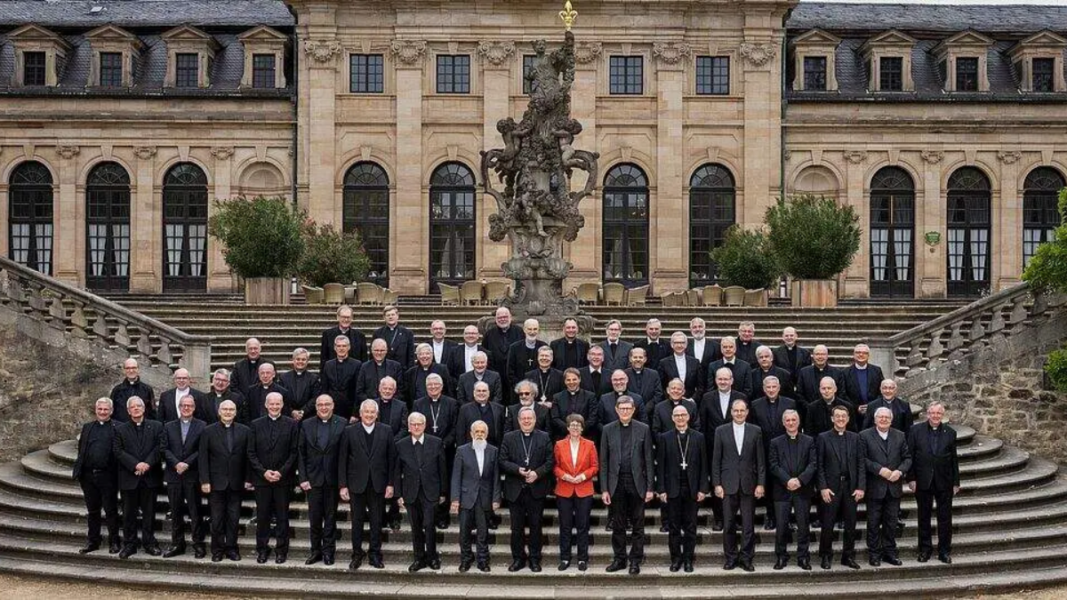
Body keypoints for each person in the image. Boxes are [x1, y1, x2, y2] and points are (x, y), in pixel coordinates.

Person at [339, 399, 396, 571]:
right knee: (356, 522)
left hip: (378, 484)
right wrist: (343, 485)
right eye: (366, 412)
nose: (369, 415)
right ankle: (357, 554)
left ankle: (375, 554)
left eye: (372, 412)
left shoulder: (386, 431)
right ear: (361, 413)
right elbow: (342, 460)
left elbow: (391, 460)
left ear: (377, 414)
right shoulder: (349, 431)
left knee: (376, 521)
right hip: (356, 484)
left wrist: (391, 484)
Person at [599, 396, 654, 575]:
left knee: (638, 524)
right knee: (618, 524)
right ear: (616, 410)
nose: (625, 411)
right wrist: (604, 488)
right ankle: (619, 559)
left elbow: (648, 460)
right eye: (621, 408)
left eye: (628, 408)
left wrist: (650, 488)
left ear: (633, 410)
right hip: (616, 483)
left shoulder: (644, 429)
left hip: (637, 482)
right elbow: (604, 462)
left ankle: (635, 561)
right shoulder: (607, 429)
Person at [499, 406, 555, 572]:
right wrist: (518, 470)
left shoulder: (544, 437)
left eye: (529, 418)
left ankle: (535, 559)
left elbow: (550, 461)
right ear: (518, 420)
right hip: (515, 490)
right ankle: (518, 559)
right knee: (516, 528)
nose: (526, 421)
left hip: (536, 489)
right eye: (523, 419)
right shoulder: (509, 437)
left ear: (535, 420)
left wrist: (537, 474)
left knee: (536, 526)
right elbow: (502, 460)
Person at [712, 399, 765, 572]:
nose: (739, 413)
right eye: (736, 410)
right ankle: (731, 558)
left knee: (748, 525)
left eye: (742, 410)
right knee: (728, 524)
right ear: (731, 412)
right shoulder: (721, 431)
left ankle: (746, 558)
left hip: (749, 484)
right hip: (728, 485)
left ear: (747, 412)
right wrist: (717, 484)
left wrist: (761, 484)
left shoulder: (756, 431)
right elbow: (716, 460)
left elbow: (760, 460)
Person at [247, 391, 300, 564]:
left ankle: (281, 550)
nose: (275, 407)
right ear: (266, 405)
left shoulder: (292, 424)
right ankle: (262, 549)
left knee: (282, 516)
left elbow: (294, 452)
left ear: (282, 405)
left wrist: (281, 472)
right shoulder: (255, 424)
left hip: (283, 480)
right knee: (262, 516)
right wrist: (263, 472)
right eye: (272, 404)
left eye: (278, 404)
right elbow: (251, 452)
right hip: (261, 480)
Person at [907, 401, 960, 564]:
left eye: (938, 413)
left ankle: (944, 551)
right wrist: (911, 478)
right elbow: (910, 455)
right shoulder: (915, 430)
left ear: (942, 415)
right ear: (927, 414)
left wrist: (956, 482)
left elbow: (954, 459)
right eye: (932, 413)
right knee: (924, 517)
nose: (935, 416)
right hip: (923, 481)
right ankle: (924, 550)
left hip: (944, 481)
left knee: (945, 518)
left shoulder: (950, 433)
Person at [657, 404, 708, 573]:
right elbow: (661, 466)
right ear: (672, 418)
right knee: (673, 527)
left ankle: (688, 559)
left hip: (692, 489)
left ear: (688, 417)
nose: (680, 417)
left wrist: (703, 489)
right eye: (676, 415)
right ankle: (675, 559)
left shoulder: (699, 437)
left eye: (683, 414)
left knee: (691, 527)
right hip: (672, 489)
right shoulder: (665, 437)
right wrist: (661, 489)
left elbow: (703, 466)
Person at [394, 412, 447, 572]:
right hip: (410, 492)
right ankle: (419, 558)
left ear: (425, 425)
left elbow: (442, 469)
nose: (416, 427)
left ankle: (432, 557)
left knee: (429, 525)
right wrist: (398, 494)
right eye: (413, 424)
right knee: (415, 527)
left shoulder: (436, 442)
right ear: (409, 427)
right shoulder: (401, 444)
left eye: (419, 424)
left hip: (431, 491)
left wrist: (443, 492)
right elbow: (396, 471)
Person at [199, 399, 251, 562]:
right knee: (216, 519)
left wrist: (248, 479)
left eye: (231, 409)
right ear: (219, 412)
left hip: (236, 483)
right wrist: (205, 481)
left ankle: (232, 549)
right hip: (215, 483)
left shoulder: (245, 431)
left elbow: (248, 457)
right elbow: (202, 458)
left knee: (234, 519)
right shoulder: (208, 431)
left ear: (235, 412)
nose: (228, 412)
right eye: (225, 409)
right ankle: (217, 550)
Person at [298, 394, 346, 565]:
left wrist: (343, 483)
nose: (324, 407)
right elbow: (301, 453)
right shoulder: (306, 424)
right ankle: (315, 551)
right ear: (316, 407)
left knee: (331, 518)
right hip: (313, 480)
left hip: (333, 480)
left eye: (327, 404)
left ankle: (328, 552)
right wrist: (303, 478)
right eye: (320, 405)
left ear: (333, 405)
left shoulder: (342, 423)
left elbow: (344, 455)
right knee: (315, 518)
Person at [861, 406, 912, 567]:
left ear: (891, 420)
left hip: (894, 486)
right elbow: (862, 459)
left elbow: (907, 458)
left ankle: (890, 552)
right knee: (874, 522)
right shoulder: (864, 436)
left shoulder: (900, 435)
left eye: (886, 417)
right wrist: (879, 470)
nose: (883, 419)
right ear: (875, 419)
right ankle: (874, 553)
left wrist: (900, 471)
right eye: (880, 417)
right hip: (875, 486)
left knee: (891, 522)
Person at [816, 404, 866, 570]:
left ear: (848, 419)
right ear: (832, 418)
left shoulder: (856, 437)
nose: (840, 419)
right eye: (837, 416)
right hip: (831, 488)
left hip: (851, 487)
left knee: (851, 524)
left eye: (843, 416)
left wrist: (861, 487)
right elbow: (820, 465)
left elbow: (860, 464)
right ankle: (825, 556)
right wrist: (822, 487)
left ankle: (848, 557)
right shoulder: (823, 437)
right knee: (828, 523)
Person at [113, 396, 163, 559]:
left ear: (144, 408)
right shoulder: (120, 429)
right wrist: (136, 465)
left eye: (139, 406)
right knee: (129, 513)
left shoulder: (156, 426)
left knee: (149, 512)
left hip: (150, 476)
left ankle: (149, 542)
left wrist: (147, 464)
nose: (136, 409)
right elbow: (118, 451)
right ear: (128, 411)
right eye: (132, 407)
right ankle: (130, 544)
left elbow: (159, 447)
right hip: (130, 477)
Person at [768, 409, 816, 570]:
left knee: (803, 526)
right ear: (783, 423)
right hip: (782, 490)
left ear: (798, 421)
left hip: (803, 490)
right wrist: (787, 480)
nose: (790, 423)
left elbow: (813, 464)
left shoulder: (809, 441)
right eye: (787, 420)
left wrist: (800, 480)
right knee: (781, 526)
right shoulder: (775, 442)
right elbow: (773, 465)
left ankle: (803, 557)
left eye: (793, 420)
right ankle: (781, 556)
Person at [451, 420, 501, 572]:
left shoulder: (493, 450)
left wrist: (496, 498)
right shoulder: (462, 450)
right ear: (471, 434)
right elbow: (456, 476)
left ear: (486, 434)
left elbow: (496, 477)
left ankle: (483, 560)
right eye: (477, 432)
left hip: (484, 498)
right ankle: (466, 559)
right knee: (464, 532)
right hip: (466, 497)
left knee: (482, 532)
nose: (479, 435)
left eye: (482, 432)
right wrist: (455, 499)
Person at [73, 397, 121, 554]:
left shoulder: (118, 428)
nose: (102, 412)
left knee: (110, 510)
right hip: (88, 476)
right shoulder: (87, 427)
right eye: (100, 409)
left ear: (111, 411)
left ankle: (114, 541)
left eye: (106, 409)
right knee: (92, 510)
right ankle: (93, 540)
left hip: (108, 476)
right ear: (96, 410)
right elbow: (82, 450)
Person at [161, 395, 206, 558]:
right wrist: (176, 463)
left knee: (195, 512)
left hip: (192, 475)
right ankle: (177, 544)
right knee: (175, 511)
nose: (186, 408)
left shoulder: (202, 426)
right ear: (179, 408)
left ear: (194, 408)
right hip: (174, 475)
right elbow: (164, 448)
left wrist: (186, 463)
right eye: (183, 405)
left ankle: (198, 544)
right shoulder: (168, 426)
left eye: (189, 405)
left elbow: (202, 449)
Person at [749, 376, 796, 530]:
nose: (771, 390)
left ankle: (786, 519)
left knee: (785, 484)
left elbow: (793, 425)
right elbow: (754, 430)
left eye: (773, 387)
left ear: (779, 387)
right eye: (768, 387)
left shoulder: (790, 403)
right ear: (763, 388)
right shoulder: (755, 405)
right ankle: (770, 516)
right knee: (768, 485)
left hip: (785, 450)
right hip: (764, 450)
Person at [414, 373, 459, 530]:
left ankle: (442, 516)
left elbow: (455, 428)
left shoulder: (452, 403)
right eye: (430, 385)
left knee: (443, 483)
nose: (433, 387)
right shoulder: (418, 404)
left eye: (436, 385)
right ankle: (426, 517)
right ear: (426, 387)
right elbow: (415, 426)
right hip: (424, 451)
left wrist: (443, 444)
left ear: (442, 386)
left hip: (445, 450)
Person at [553, 414, 598, 571]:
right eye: (572, 425)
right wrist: (564, 475)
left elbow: (594, 466)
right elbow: (555, 466)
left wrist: (583, 476)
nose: (575, 427)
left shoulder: (590, 444)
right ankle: (565, 558)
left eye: (578, 425)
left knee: (582, 526)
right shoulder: (559, 445)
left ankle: (582, 559)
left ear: (582, 428)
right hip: (564, 489)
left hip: (583, 489)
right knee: (565, 526)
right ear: (567, 427)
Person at [551, 368, 599, 441]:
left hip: (586, 437)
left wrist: (579, 430)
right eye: (568, 380)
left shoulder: (590, 396)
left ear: (579, 379)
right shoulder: (557, 397)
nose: (571, 382)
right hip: (563, 438)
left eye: (574, 379)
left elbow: (592, 418)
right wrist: (570, 430)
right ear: (564, 381)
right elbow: (555, 418)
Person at [506, 318, 546, 404]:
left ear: (538, 330)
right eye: (529, 329)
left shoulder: (543, 346)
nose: (532, 332)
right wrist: (522, 387)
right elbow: (510, 371)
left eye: (535, 329)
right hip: (519, 393)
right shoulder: (514, 348)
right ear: (524, 330)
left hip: (538, 392)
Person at [354, 338, 405, 405]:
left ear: (386, 351)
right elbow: (359, 391)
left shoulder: (396, 366)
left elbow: (400, 390)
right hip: (370, 407)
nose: (379, 353)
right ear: (372, 351)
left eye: (382, 350)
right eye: (376, 350)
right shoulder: (364, 367)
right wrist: (371, 403)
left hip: (391, 405)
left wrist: (390, 401)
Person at [458, 380, 507, 446]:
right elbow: (460, 433)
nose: (481, 393)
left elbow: (503, 431)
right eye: (478, 391)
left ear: (488, 393)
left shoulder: (499, 409)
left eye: (484, 391)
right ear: (474, 393)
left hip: (494, 448)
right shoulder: (465, 409)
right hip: (472, 448)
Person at [843, 344, 885, 420]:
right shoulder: (845, 372)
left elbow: (882, 391)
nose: (861, 355)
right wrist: (856, 407)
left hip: (873, 414)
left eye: (864, 353)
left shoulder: (876, 371)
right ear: (854, 355)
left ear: (868, 355)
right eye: (858, 352)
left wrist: (872, 406)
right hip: (853, 414)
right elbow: (843, 394)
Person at [483, 306, 523, 384]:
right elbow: (485, 353)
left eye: (505, 317)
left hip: (515, 375)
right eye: (500, 317)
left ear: (510, 317)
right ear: (496, 319)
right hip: (495, 374)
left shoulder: (519, 332)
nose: (502, 319)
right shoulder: (489, 334)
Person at [659, 331, 703, 401]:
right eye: (676, 343)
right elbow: (661, 386)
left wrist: (692, 399)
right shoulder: (664, 363)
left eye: (682, 343)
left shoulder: (695, 362)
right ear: (671, 345)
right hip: (670, 402)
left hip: (690, 402)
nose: (679, 345)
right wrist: (671, 398)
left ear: (686, 345)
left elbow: (700, 386)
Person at [280, 347, 320, 421]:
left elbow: (315, 398)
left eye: (303, 359)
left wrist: (302, 412)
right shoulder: (284, 378)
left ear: (307, 361)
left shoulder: (314, 378)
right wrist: (292, 411)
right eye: (298, 359)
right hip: (288, 417)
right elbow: (281, 398)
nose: (300, 362)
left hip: (308, 417)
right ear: (293, 360)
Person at [109, 358, 156, 422]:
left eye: (134, 368)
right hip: (121, 428)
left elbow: (152, 412)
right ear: (124, 370)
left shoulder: (147, 389)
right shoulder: (117, 390)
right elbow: (111, 412)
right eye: (128, 368)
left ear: (138, 369)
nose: (131, 371)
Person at [372, 305, 416, 371]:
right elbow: (373, 354)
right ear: (384, 317)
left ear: (397, 316)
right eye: (388, 315)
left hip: (402, 371)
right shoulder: (378, 333)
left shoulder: (407, 333)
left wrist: (410, 372)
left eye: (393, 314)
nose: (390, 317)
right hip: (383, 370)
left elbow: (411, 355)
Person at [772, 326, 812, 392]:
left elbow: (807, 372)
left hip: (800, 386)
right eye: (786, 336)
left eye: (791, 335)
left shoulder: (805, 353)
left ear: (796, 336)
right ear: (783, 337)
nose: (789, 338)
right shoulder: (775, 352)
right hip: (783, 387)